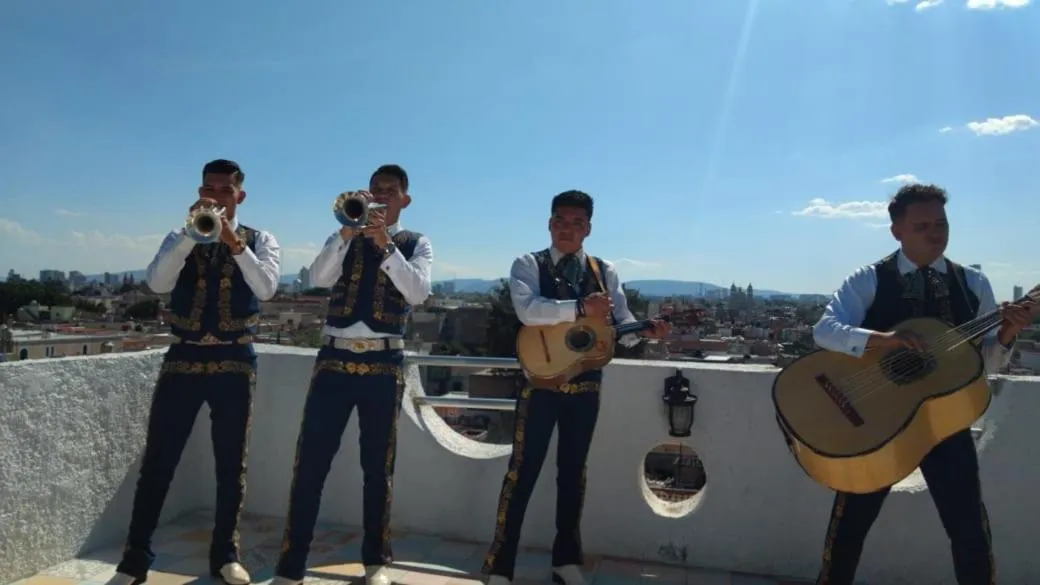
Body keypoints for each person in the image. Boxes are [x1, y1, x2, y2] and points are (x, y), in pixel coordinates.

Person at [810, 183, 1036, 585]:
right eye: (922, 225)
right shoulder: (869, 280)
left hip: (944, 423)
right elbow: (825, 331)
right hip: (878, 423)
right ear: (897, 231)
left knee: (969, 532)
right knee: (848, 529)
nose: (936, 233)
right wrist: (886, 341)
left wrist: (1005, 335)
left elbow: (984, 362)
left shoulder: (973, 284)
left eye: (941, 224)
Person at [482, 190, 671, 585]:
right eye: (560, 220)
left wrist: (645, 332)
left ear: (588, 228)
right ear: (550, 223)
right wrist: (580, 309)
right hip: (539, 382)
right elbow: (527, 311)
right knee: (522, 472)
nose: (567, 229)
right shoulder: (527, 263)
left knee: (572, 473)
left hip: (585, 386)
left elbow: (620, 322)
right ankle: (499, 564)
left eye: (576, 223)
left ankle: (566, 560)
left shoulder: (605, 271)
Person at [107, 159, 282, 585]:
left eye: (224, 190)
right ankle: (134, 561)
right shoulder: (180, 234)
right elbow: (158, 284)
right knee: (159, 461)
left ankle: (225, 555)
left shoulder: (261, 240)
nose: (215, 197)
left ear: (239, 196)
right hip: (183, 357)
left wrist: (233, 241)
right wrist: (190, 237)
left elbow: (267, 287)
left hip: (234, 361)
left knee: (230, 464)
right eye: (209, 188)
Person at [273, 164, 432, 585]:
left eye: (390, 191)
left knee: (377, 467)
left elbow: (417, 291)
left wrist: (386, 246)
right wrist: (347, 233)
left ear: (405, 199)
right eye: (375, 190)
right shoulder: (343, 235)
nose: (380, 197)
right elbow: (318, 277)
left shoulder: (416, 244)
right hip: (333, 361)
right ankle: (291, 565)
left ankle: (376, 562)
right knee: (310, 464)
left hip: (383, 364)